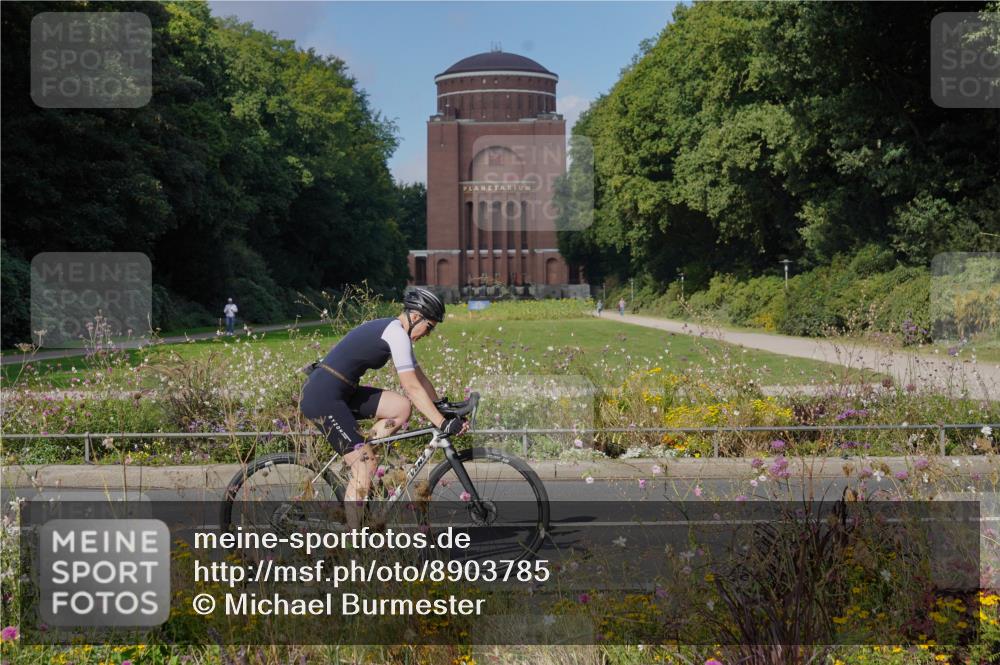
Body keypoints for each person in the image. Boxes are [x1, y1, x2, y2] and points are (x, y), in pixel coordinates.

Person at [298, 288, 468, 527]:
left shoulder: (397, 332)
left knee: (400, 407)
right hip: (323, 396)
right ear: (416, 317)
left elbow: (419, 380)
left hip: (342, 391)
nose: (428, 334)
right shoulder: (396, 334)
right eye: (429, 327)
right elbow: (411, 387)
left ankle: (359, 462)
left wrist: (442, 408)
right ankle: (353, 546)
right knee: (365, 463)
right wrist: (441, 423)